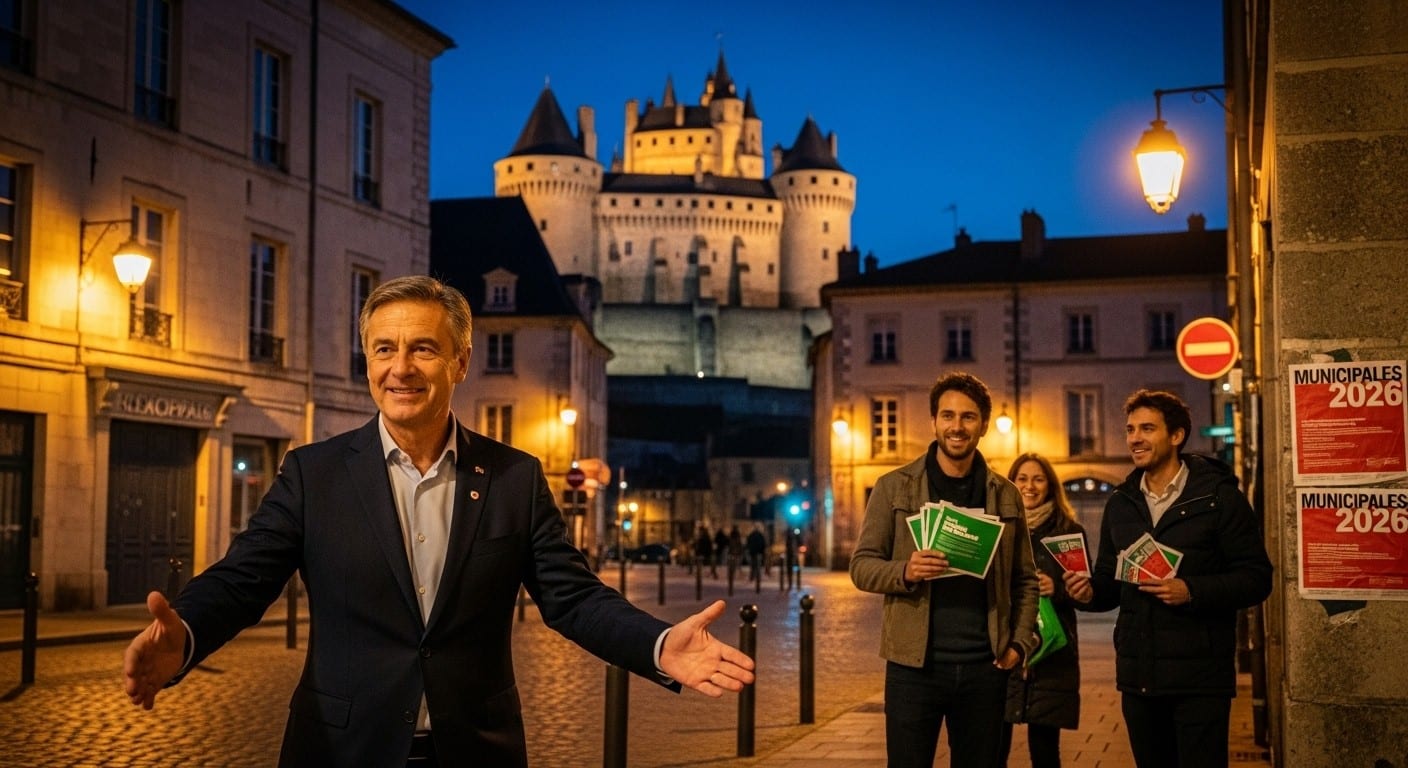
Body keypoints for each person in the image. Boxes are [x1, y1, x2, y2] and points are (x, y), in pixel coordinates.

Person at [122, 276, 755, 768]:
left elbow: (573, 598)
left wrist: (657, 646)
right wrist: (188, 635)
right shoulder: (313, 475)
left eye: (424, 348)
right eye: (384, 349)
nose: (401, 368)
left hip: (476, 752)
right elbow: (242, 580)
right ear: (367, 361)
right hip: (341, 751)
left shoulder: (514, 476)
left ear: (459, 362)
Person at [1064, 389, 1271, 768]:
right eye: (1130, 429)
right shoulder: (1121, 502)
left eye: (1147, 428)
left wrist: (1190, 590)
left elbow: (1257, 578)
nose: (1134, 438)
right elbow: (1110, 585)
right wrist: (1086, 592)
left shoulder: (1218, 497)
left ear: (1176, 436)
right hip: (1140, 677)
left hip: (1200, 679)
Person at [850, 371, 1040, 768]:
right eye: (948, 416)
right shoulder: (893, 487)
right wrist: (906, 571)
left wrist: (1020, 645)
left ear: (983, 425)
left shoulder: (1004, 494)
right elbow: (862, 566)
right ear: (934, 421)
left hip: (984, 668)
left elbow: (1025, 580)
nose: (957, 426)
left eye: (968, 417)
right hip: (913, 668)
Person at [999, 453, 1085, 768]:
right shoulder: (998, 527)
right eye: (1021, 478)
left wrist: (1058, 589)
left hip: (1051, 652)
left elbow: (1086, 593)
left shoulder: (1068, 533)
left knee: (1045, 750)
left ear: (1049, 485)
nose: (1029, 486)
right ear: (1011, 483)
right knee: (994, 747)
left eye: (1037, 478)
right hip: (1004, 646)